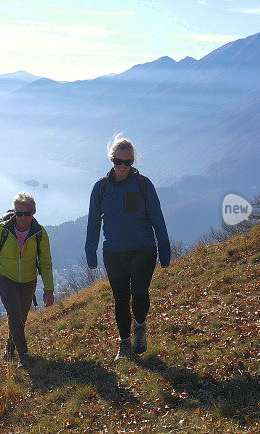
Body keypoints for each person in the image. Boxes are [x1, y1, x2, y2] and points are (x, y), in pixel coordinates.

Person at [85, 135, 170, 360]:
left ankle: (140, 325)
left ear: (133, 162)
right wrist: (90, 252)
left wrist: (165, 249)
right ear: (111, 160)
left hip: (143, 247)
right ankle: (124, 343)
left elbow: (157, 218)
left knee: (139, 293)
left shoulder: (143, 184)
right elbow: (93, 221)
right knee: (120, 299)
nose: (123, 166)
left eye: (128, 162)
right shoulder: (100, 188)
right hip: (113, 252)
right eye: (118, 161)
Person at [0, 192, 55, 368]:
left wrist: (49, 288)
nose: (23, 217)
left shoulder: (39, 233)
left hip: (29, 280)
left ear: (34, 213)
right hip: (7, 278)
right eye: (19, 213)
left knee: (21, 318)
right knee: (14, 314)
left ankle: (9, 350)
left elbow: (45, 262)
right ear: (14, 212)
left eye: (27, 213)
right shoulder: (2, 230)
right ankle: (24, 354)